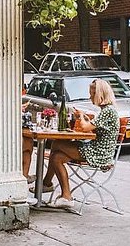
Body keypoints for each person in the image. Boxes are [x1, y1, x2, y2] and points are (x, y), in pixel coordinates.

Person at [40, 77, 120, 210]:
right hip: (96, 149)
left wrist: (82, 116)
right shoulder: (107, 111)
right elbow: (93, 126)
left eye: (92, 93)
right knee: (57, 157)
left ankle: (47, 184)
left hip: (99, 153)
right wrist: (85, 118)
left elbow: (85, 128)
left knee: (57, 144)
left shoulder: (108, 111)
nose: (90, 96)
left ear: (100, 94)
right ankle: (65, 195)